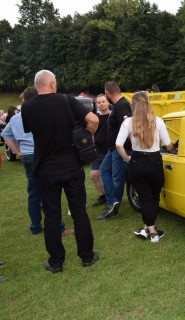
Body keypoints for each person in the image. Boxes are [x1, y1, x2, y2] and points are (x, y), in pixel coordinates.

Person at [21, 70, 99, 273]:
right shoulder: (67, 100)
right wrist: (87, 135)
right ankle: (87, 256)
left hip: (45, 169)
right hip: (71, 165)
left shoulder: (27, 108)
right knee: (79, 211)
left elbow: (30, 130)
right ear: (53, 84)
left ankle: (56, 262)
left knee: (52, 215)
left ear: (37, 85)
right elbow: (94, 120)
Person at [1, 86, 74, 236]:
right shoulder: (41, 114)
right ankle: (58, 227)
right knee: (50, 190)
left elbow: (6, 135)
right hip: (43, 154)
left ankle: (35, 226)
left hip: (27, 156)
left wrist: (17, 152)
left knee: (33, 192)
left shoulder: (15, 118)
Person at [116, 92, 174, 243]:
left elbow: (118, 145)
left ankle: (146, 227)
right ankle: (153, 232)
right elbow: (168, 144)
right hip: (154, 161)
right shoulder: (158, 121)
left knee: (145, 197)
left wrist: (127, 159)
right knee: (153, 197)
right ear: (148, 104)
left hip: (137, 162)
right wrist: (172, 147)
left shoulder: (128, 122)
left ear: (133, 106)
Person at [96, 81, 132, 220]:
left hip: (120, 149)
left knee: (117, 179)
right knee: (104, 171)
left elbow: (129, 126)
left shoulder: (122, 105)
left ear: (107, 93)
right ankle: (113, 201)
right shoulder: (118, 105)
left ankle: (112, 206)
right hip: (113, 149)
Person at [90, 94, 110, 207]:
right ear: (96, 104)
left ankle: (111, 197)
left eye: (103, 101)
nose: (101, 104)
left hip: (109, 151)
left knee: (107, 175)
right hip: (97, 151)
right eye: (99, 102)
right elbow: (91, 133)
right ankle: (102, 196)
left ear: (108, 103)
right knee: (94, 175)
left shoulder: (113, 116)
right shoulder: (94, 118)